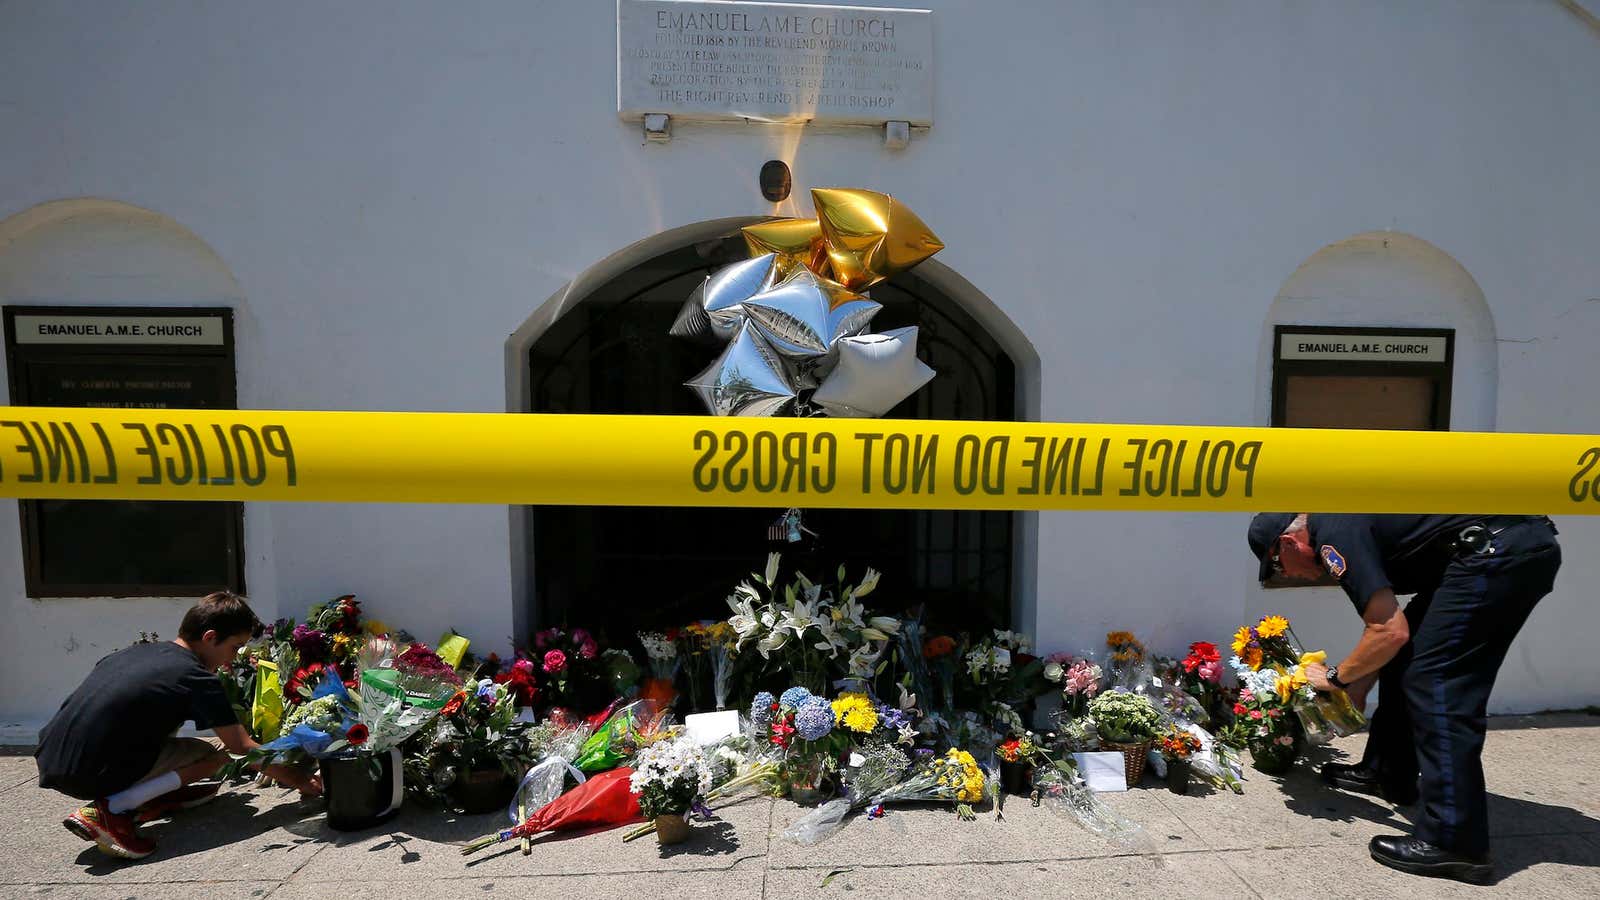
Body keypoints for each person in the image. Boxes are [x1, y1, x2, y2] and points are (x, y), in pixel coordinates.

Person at [1247, 512, 1560, 884]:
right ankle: (1389, 773)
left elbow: (1387, 632)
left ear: (1288, 542)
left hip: (1495, 552)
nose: (1287, 575)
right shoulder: (1340, 527)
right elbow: (1392, 637)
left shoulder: (1333, 535)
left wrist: (1335, 678)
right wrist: (1356, 688)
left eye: (1279, 566)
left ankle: (1456, 842)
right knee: (1409, 663)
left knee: (1438, 685)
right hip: (1487, 552)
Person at [34, 591, 322, 860]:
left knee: (170, 729)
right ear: (210, 638)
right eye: (234, 647)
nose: (233, 658)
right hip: (90, 773)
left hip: (52, 759)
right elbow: (242, 747)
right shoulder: (195, 677)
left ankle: (156, 793)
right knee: (216, 756)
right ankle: (111, 809)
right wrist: (301, 781)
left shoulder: (135, 653)